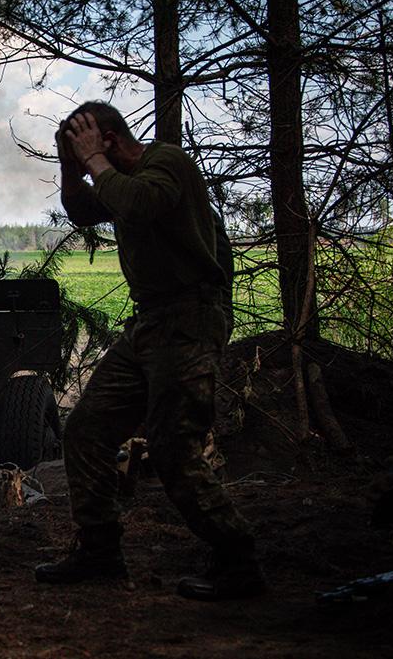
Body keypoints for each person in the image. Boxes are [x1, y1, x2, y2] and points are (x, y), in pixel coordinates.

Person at [35, 101, 264, 600]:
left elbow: (137, 203)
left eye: (87, 147)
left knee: (172, 448)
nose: (86, 159)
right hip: (149, 324)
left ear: (111, 140)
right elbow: (81, 211)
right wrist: (71, 167)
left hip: (188, 321)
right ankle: (100, 552)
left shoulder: (168, 164)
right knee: (88, 429)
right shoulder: (117, 180)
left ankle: (238, 559)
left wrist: (94, 160)